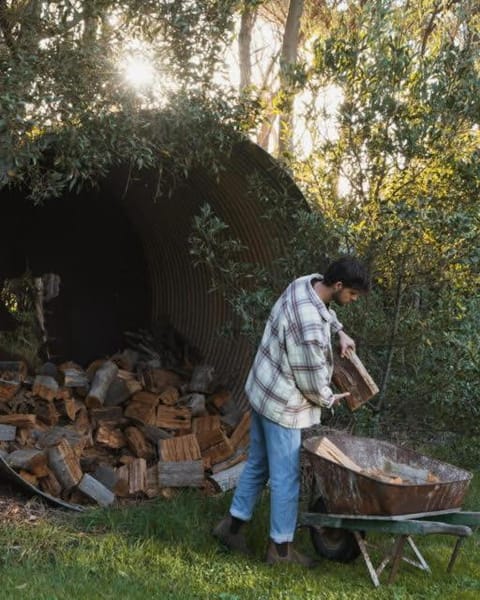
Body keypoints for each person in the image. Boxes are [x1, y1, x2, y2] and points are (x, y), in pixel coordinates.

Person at [213, 256, 370, 566]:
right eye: (352, 294)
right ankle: (280, 550)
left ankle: (230, 528)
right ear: (338, 285)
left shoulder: (305, 284)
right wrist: (329, 398)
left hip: (262, 389)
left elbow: (325, 311)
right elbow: (310, 380)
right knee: (286, 479)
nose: (352, 301)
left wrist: (340, 330)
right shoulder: (309, 324)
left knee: (258, 464)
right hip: (283, 406)